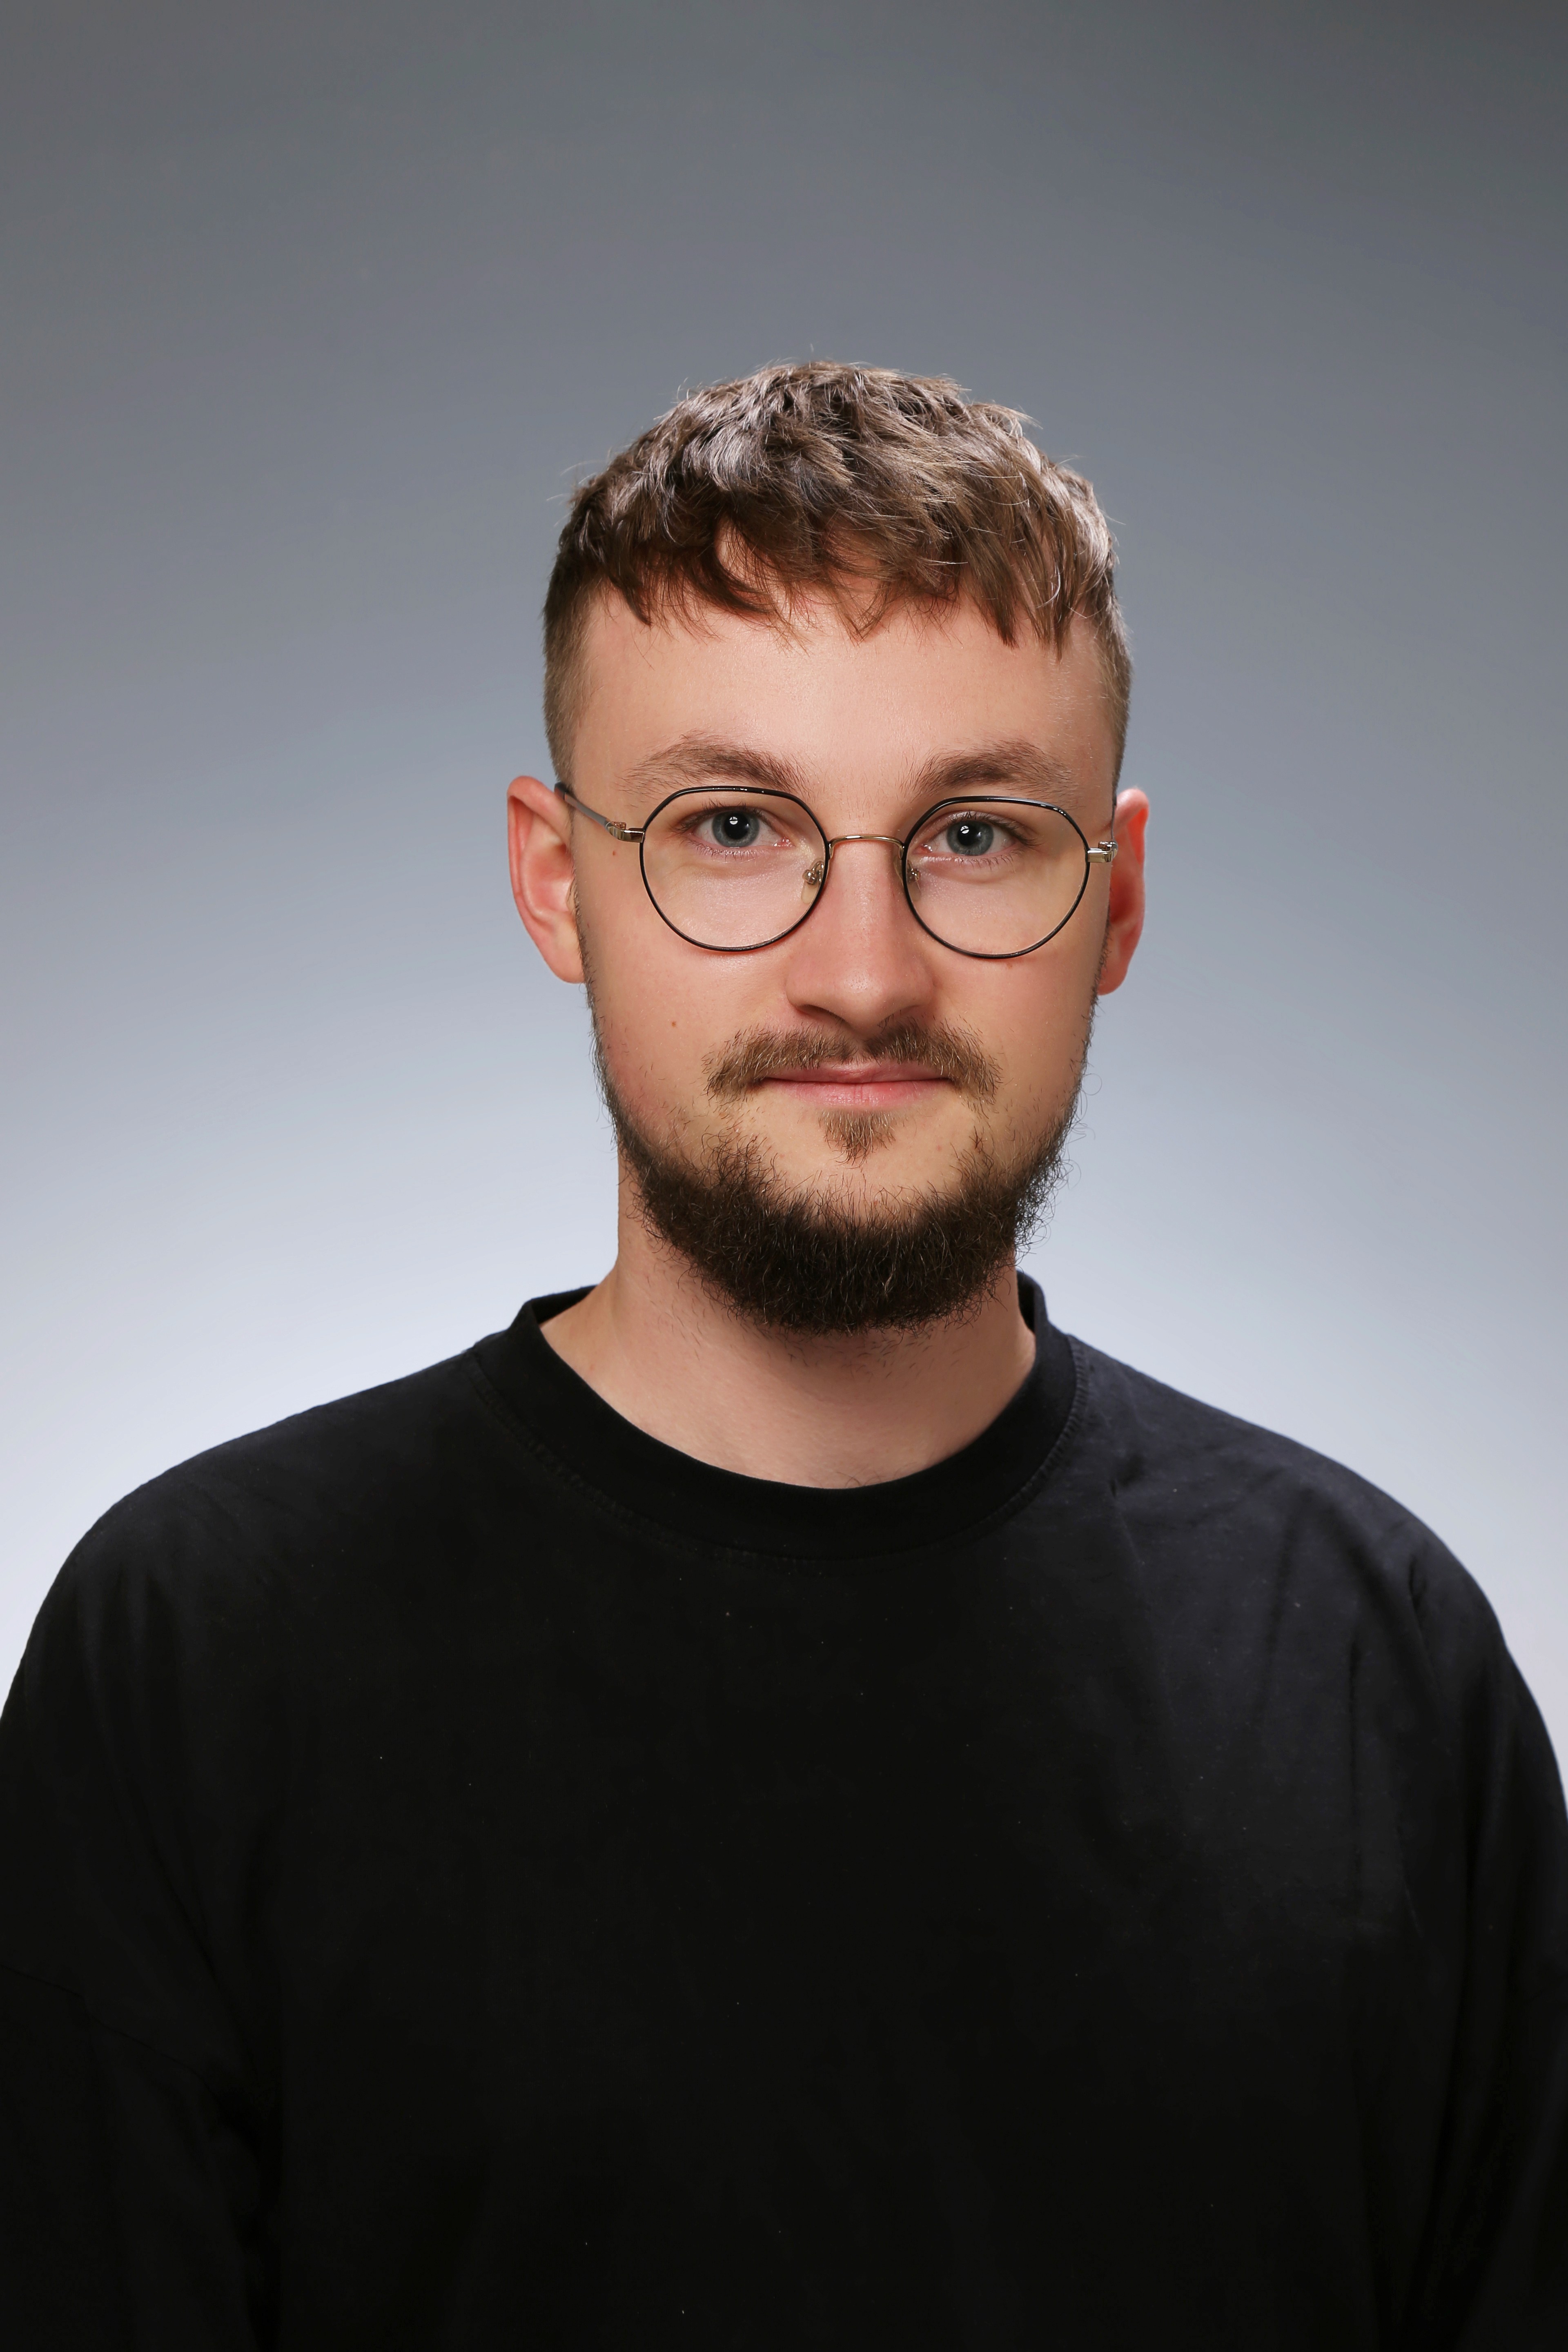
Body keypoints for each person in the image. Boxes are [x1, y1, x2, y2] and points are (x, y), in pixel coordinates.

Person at [1, 362, 1564, 2350]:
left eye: (979, 834)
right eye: (735, 826)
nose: (862, 972)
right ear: (557, 880)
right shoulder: (198, 1658)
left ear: (1122, 896)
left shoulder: (1372, 1665)